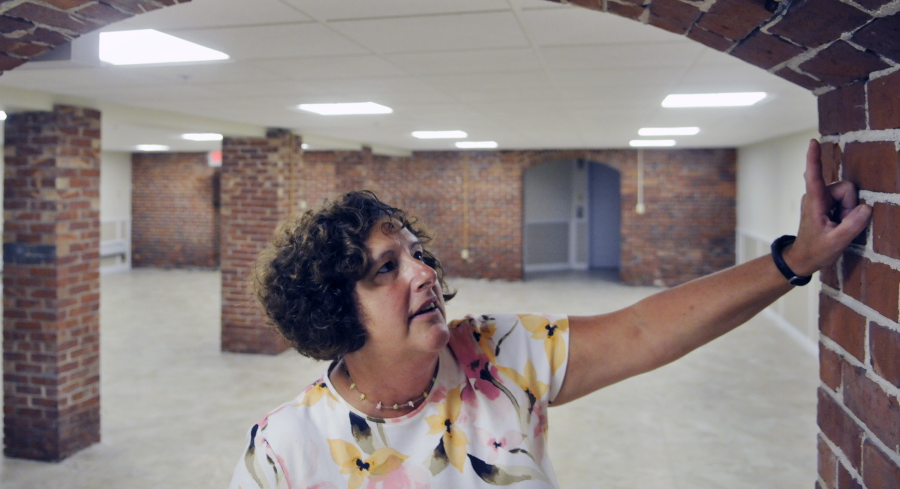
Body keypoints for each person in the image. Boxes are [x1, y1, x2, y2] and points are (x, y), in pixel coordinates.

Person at [228, 140, 871, 488]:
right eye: (386, 268)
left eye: (417, 254)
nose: (425, 271)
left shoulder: (495, 355)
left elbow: (646, 330)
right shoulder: (287, 449)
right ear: (333, 308)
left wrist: (797, 260)